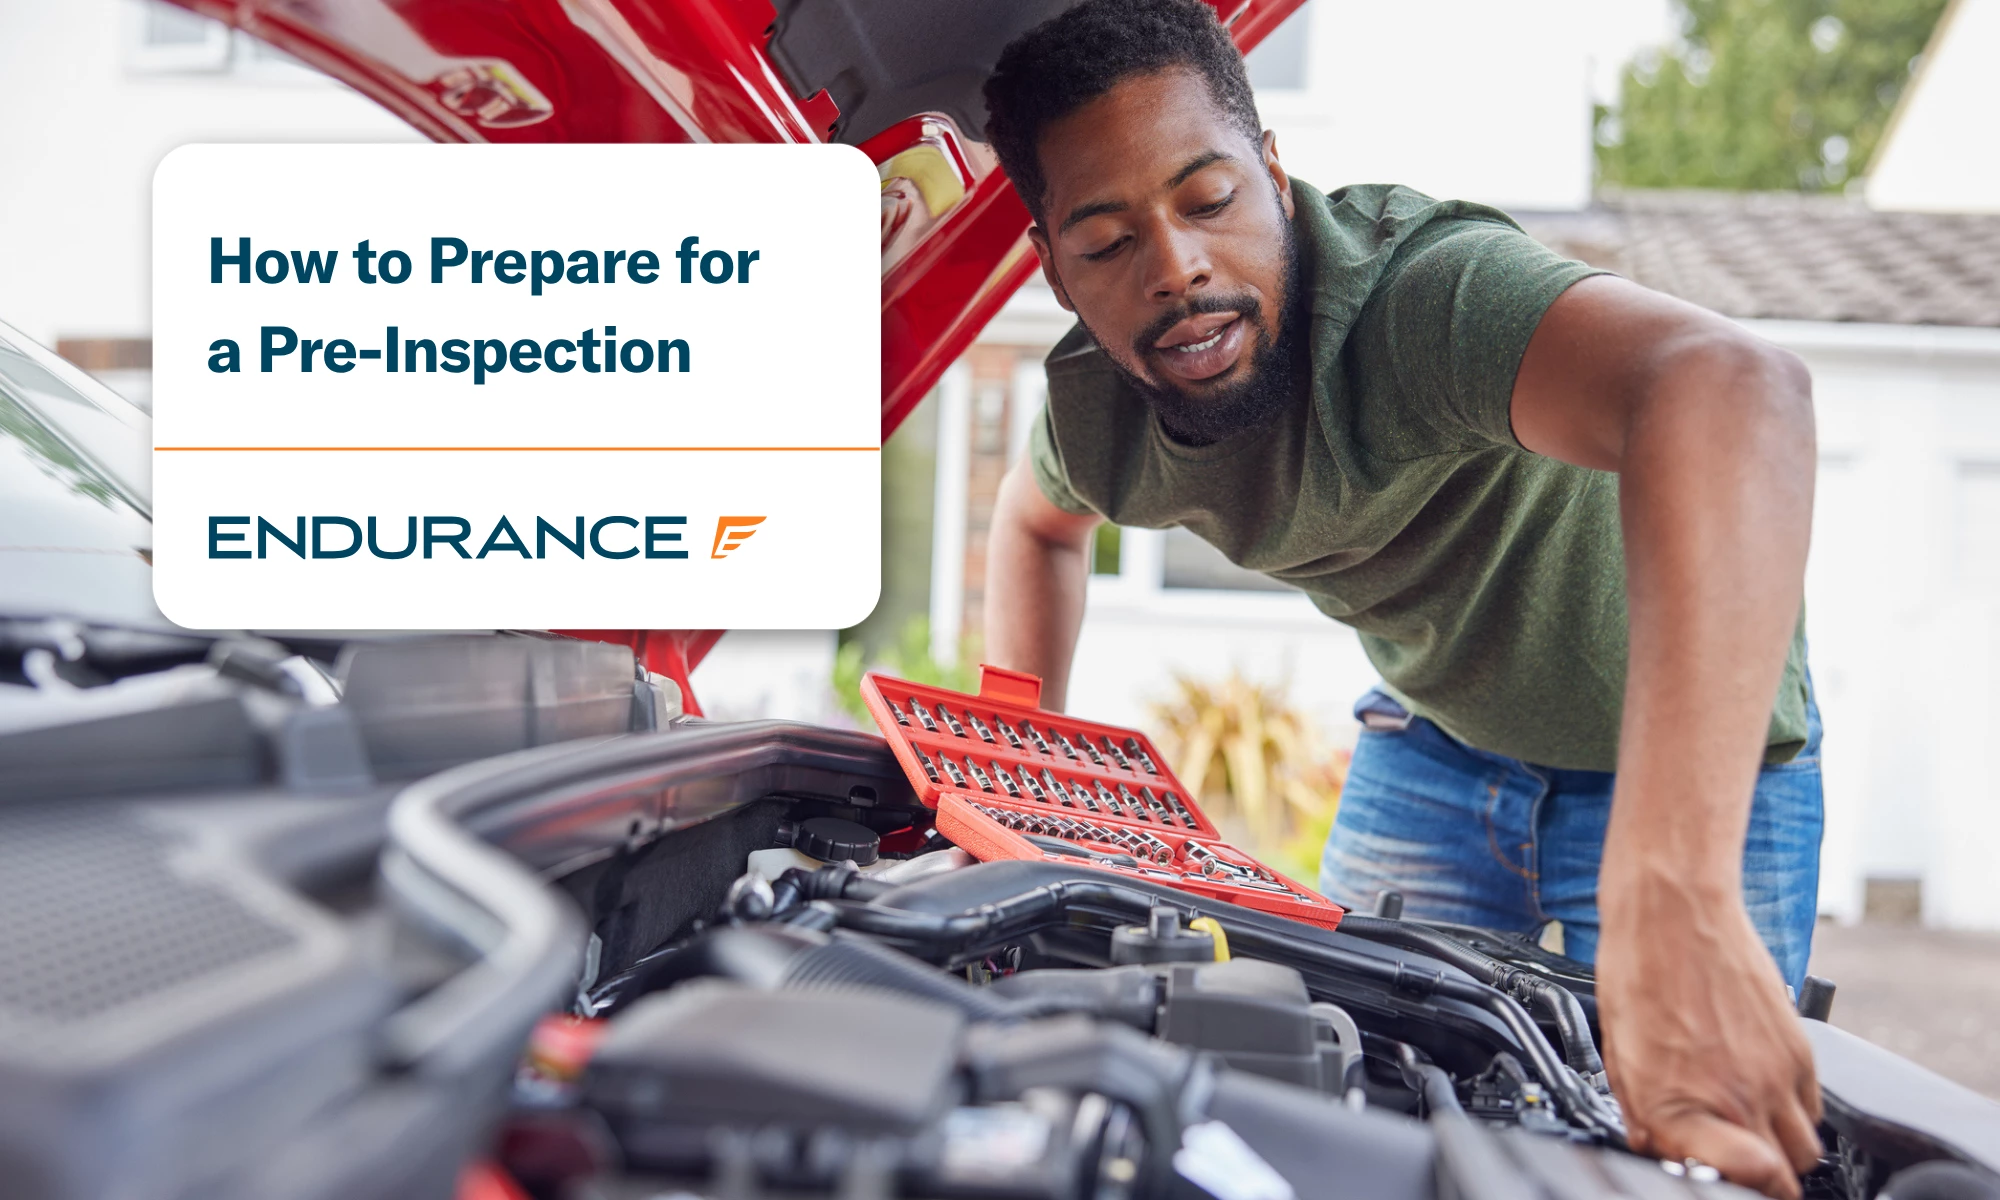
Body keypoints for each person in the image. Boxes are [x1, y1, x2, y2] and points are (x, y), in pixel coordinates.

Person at [977, 1, 1824, 1194]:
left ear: (1272, 174)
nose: (1176, 270)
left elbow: (1735, 388)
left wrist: (1669, 893)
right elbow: (1032, 522)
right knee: (1340, 1094)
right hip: (1434, 748)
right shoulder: (1099, 416)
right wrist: (1023, 780)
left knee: (1697, 1140)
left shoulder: (1420, 301)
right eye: (1108, 243)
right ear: (1051, 267)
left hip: (1688, 780)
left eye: (1207, 200)